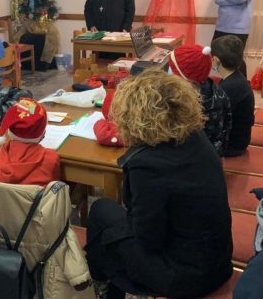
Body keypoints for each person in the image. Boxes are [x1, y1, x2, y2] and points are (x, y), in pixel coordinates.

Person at [85, 70, 233, 299]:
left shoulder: (146, 164)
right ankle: (108, 282)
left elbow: (148, 240)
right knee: (111, 223)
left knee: (100, 211)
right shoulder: (196, 136)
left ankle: (99, 284)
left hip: (184, 277)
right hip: (218, 262)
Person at [169, 43, 232, 156]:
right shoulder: (217, 89)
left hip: (196, 160)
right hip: (215, 153)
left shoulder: (184, 105)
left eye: (173, 70)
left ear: (184, 78)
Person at [0, 98, 60, 186]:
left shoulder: (3, 152)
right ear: (42, 133)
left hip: (4, 195)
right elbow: (55, 184)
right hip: (39, 195)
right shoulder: (50, 157)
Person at [212, 0, 256, 77]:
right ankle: (227, 82)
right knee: (215, 53)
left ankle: (242, 84)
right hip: (222, 25)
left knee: (235, 60)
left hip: (239, 27)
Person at [211, 35, 255, 157]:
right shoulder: (237, 78)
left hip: (232, 146)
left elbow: (215, 121)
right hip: (239, 139)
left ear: (216, 60)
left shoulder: (228, 87)